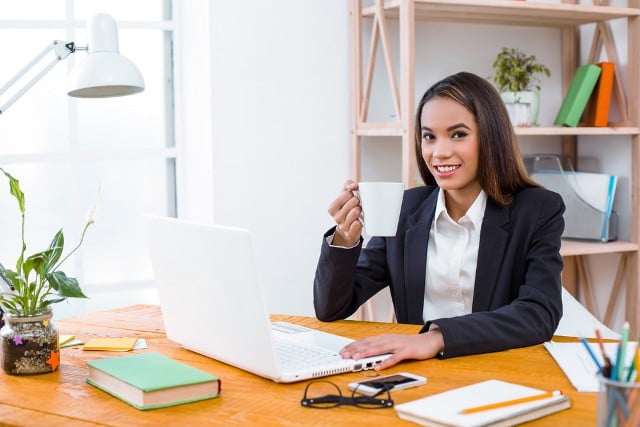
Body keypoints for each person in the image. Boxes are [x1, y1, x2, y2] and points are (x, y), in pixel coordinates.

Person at [313, 71, 565, 370]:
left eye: (458, 134)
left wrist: (435, 338)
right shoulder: (407, 210)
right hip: (418, 375)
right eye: (429, 136)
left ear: (490, 137)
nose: (440, 152)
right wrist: (345, 237)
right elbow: (332, 307)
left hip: (498, 369)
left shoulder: (537, 210)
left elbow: (539, 313)